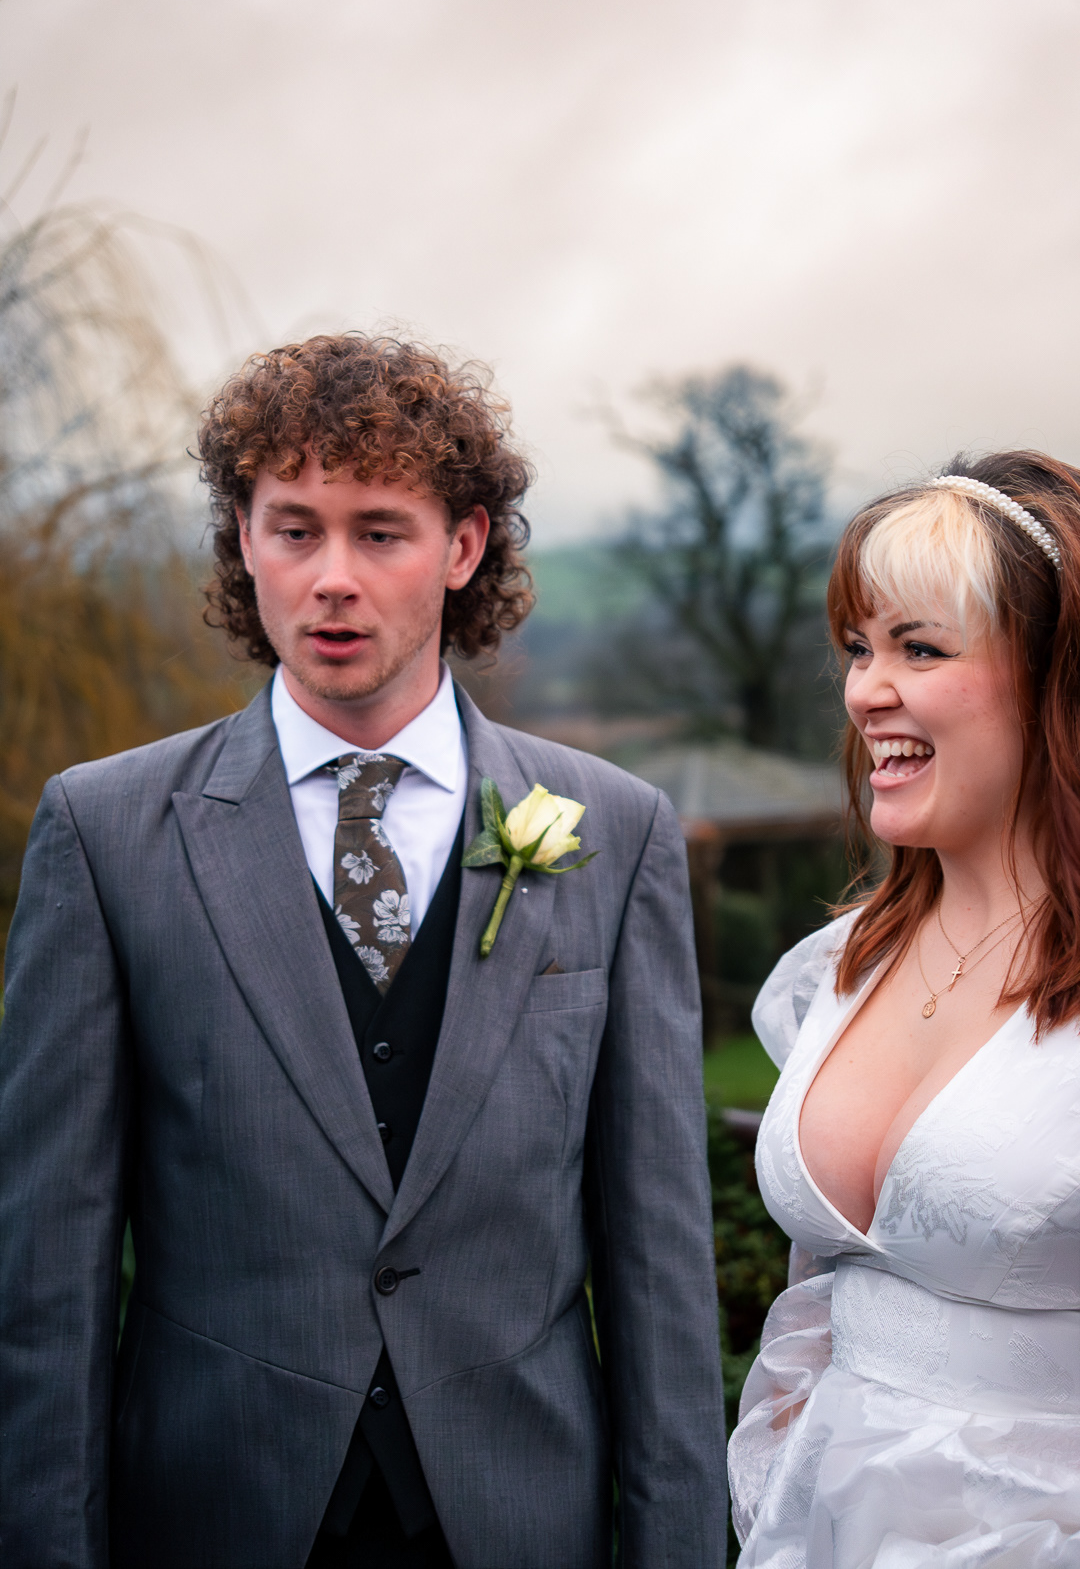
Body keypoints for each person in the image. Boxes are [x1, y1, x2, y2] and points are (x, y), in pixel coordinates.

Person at [0, 333, 727, 1569]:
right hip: (215, 1511)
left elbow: (660, 1262)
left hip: (518, 1516)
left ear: (464, 546)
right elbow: (46, 1281)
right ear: (245, 539)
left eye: (380, 532)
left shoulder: (617, 833)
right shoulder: (104, 831)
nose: (332, 579)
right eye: (296, 529)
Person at [728, 452, 1080, 1567]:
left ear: (1058, 677)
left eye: (920, 649)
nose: (866, 691)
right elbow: (824, 1301)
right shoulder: (836, 970)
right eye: (858, 648)